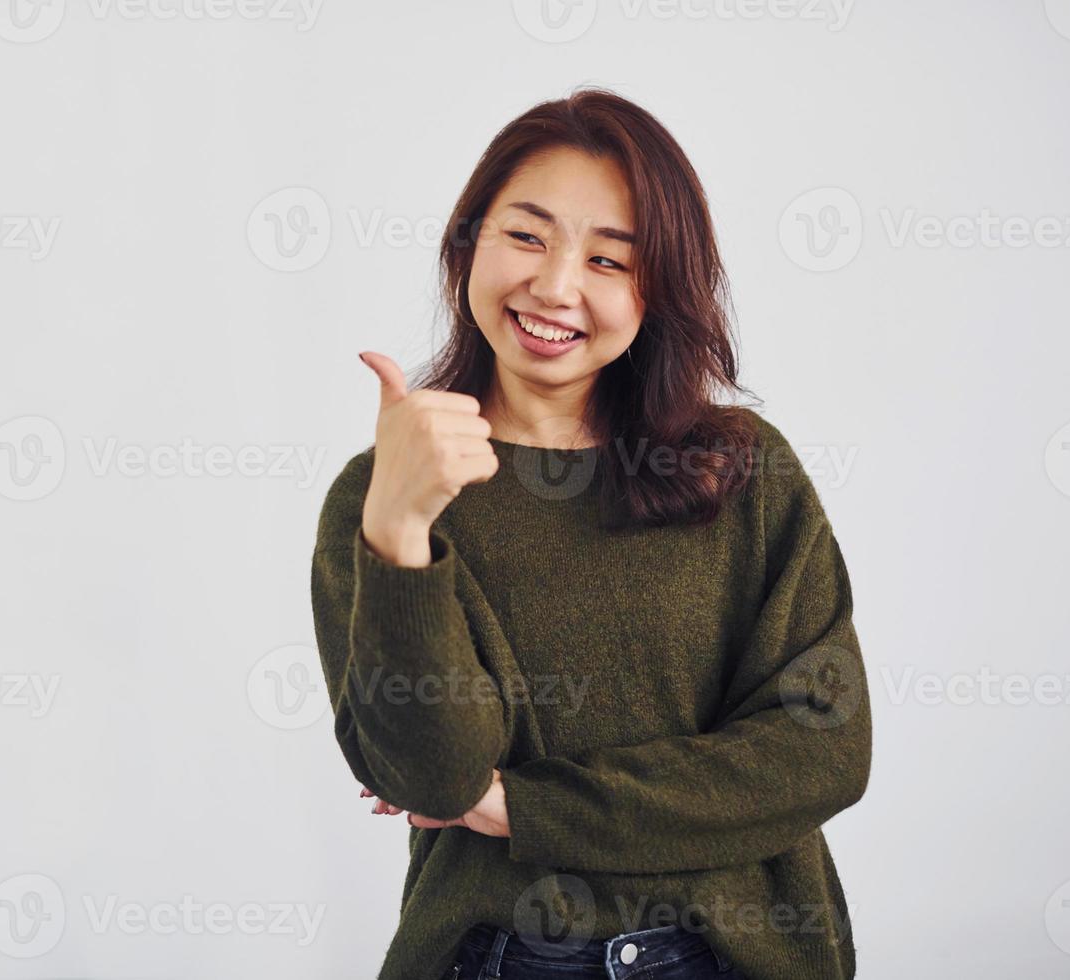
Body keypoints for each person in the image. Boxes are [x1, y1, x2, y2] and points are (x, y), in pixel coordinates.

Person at [309, 87, 871, 980]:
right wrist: (402, 527)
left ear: (662, 290)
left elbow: (819, 754)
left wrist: (519, 808)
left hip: (730, 954)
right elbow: (435, 779)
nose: (555, 286)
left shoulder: (742, 470)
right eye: (526, 236)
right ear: (468, 245)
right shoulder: (380, 498)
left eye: (610, 260)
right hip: (497, 957)